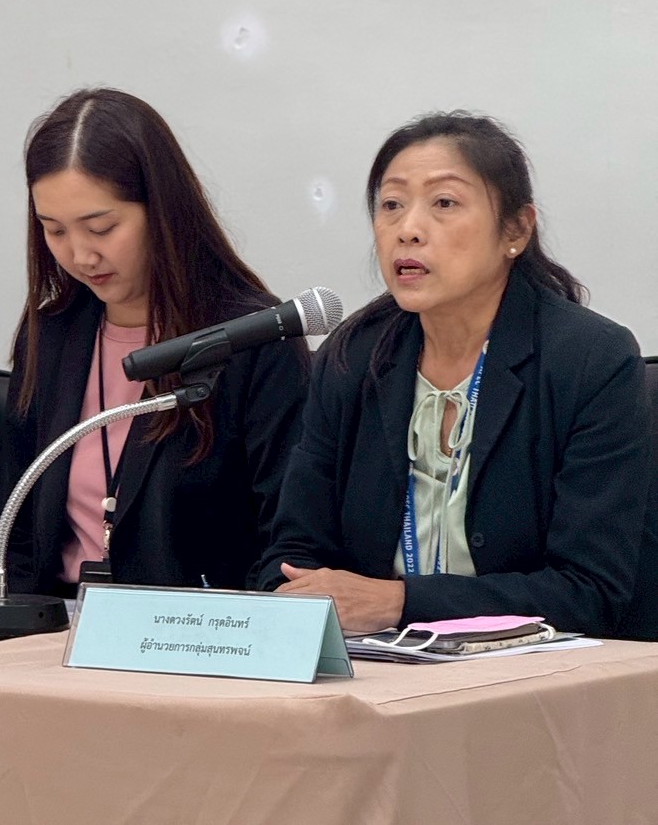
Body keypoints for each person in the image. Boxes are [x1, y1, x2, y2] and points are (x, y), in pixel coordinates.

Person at [252, 111, 650, 639]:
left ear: (516, 230)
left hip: (537, 673)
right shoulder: (352, 358)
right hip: (377, 665)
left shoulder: (590, 360)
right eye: (391, 205)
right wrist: (296, 601)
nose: (407, 230)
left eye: (444, 203)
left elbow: (589, 592)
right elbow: (293, 550)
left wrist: (401, 602)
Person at [0, 87, 311, 595]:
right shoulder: (52, 334)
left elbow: (286, 540)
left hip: (193, 625)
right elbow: (15, 526)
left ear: (162, 210)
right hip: (55, 624)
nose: (80, 256)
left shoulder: (252, 340)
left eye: (101, 228)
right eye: (55, 231)